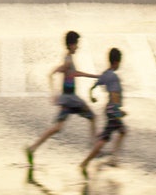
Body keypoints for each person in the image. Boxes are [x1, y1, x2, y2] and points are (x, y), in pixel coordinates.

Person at [26, 31, 98, 165]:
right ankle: (94, 146)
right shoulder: (68, 60)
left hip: (67, 99)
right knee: (93, 117)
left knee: (58, 127)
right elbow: (57, 72)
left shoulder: (68, 58)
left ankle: (32, 148)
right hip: (71, 99)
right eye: (76, 44)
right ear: (71, 45)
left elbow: (71, 73)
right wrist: (54, 92)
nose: (77, 47)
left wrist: (94, 76)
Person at [80, 47, 125, 176]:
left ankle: (113, 158)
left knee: (122, 131)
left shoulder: (106, 74)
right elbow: (114, 95)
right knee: (104, 139)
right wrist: (118, 112)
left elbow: (93, 86)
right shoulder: (114, 77)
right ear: (117, 62)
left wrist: (92, 96)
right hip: (112, 110)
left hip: (109, 109)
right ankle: (86, 162)